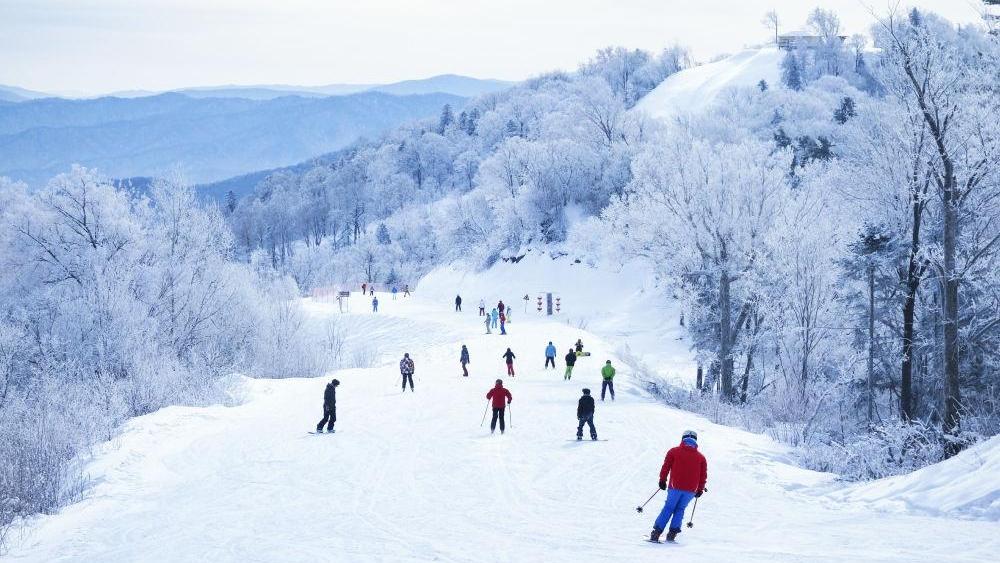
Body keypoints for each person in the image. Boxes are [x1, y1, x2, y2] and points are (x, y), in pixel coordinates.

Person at [650, 430, 707, 543]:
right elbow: (703, 475)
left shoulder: (674, 451)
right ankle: (672, 534)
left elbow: (666, 467)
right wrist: (700, 489)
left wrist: (662, 480)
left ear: (683, 439)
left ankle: (656, 533)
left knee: (669, 508)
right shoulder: (701, 458)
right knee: (680, 509)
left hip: (675, 486)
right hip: (691, 490)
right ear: (695, 440)